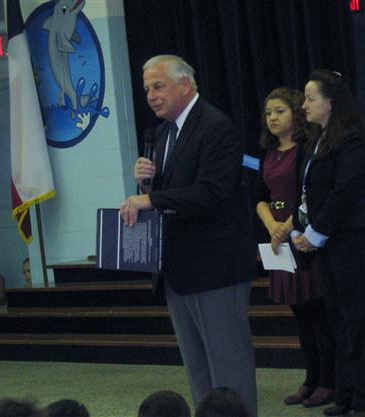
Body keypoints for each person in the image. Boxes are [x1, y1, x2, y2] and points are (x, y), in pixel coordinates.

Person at [120, 55, 257, 417]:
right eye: (147, 89)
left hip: (215, 269)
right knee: (198, 370)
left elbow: (211, 193)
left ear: (185, 84)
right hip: (178, 269)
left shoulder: (215, 126)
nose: (151, 95)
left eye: (158, 86)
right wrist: (148, 184)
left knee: (228, 369)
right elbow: (173, 195)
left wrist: (151, 199)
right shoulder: (164, 132)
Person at [292, 69, 365, 417]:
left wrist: (315, 233)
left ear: (331, 103)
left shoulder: (352, 140)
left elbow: (344, 193)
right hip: (328, 244)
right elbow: (310, 193)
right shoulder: (317, 140)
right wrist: (301, 229)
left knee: (357, 320)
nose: (304, 105)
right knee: (338, 319)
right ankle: (346, 395)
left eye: (310, 98)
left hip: (350, 241)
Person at [254, 87, 335, 408]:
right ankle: (311, 379)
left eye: (279, 111)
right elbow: (260, 197)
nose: (272, 118)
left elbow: (310, 196)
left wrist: (287, 225)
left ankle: (328, 381)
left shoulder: (306, 150)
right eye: (268, 113)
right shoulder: (268, 154)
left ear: (296, 114)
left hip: (302, 236)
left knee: (318, 314)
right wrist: (271, 226)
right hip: (278, 239)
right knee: (300, 315)